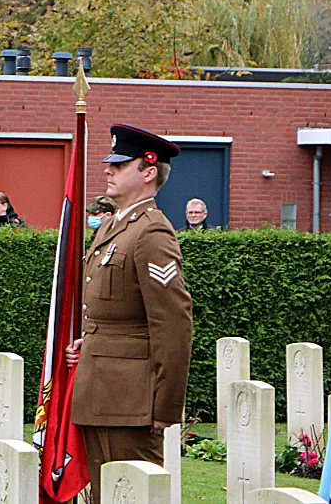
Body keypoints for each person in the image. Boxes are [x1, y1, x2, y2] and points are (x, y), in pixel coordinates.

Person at [64, 125, 193, 504]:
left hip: (132, 401)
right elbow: (113, 312)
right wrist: (88, 343)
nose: (108, 170)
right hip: (99, 390)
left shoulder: (151, 232)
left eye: (119, 165)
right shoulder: (114, 227)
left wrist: (165, 406)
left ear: (148, 171)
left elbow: (172, 323)